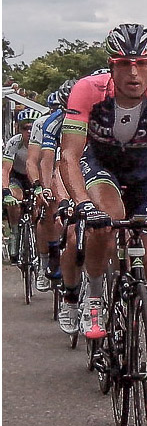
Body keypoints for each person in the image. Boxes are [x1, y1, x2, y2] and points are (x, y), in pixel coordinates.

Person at [60, 23, 147, 417]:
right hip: (101, 166)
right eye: (125, 64)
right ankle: (92, 296)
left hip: (144, 172)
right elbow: (70, 156)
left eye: (142, 63)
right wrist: (82, 203)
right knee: (107, 219)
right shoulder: (88, 91)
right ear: (112, 66)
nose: (134, 73)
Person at [29, 80, 76, 294]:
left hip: (86, 165)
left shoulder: (96, 116)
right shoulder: (49, 123)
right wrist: (43, 188)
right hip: (61, 165)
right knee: (52, 206)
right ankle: (50, 257)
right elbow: (45, 161)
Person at [2, 108, 42, 264]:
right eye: (25, 127)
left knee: (39, 207)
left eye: (33, 127)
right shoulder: (15, 142)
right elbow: (5, 170)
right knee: (15, 199)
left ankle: (38, 239)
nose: (29, 131)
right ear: (18, 129)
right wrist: (6, 192)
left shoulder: (44, 141)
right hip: (17, 176)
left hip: (37, 177)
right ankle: (15, 232)